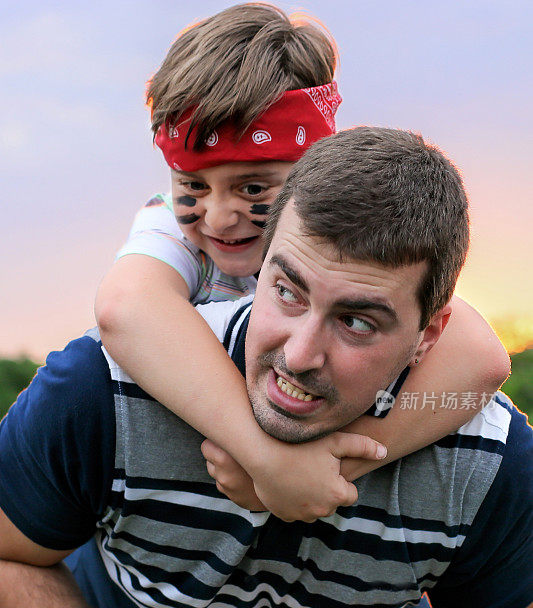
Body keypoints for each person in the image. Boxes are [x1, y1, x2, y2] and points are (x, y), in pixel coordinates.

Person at [0, 127, 531, 608]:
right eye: (286, 290)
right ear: (261, 263)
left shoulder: (484, 461)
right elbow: (6, 555)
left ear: (429, 334)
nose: (300, 353)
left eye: (357, 322)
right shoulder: (105, 390)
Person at [95, 2, 510, 523]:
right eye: (194, 186)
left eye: (252, 187)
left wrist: (332, 468)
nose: (220, 218)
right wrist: (265, 458)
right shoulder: (168, 229)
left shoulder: (346, 234)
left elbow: (482, 358)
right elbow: (124, 308)